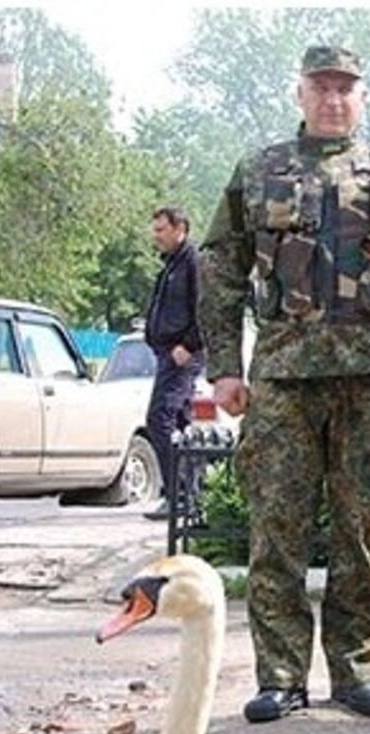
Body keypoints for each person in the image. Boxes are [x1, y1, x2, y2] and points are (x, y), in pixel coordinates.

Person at [198, 45, 370, 723]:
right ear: (299, 93)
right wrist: (224, 364)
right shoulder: (259, 171)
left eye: (346, 88)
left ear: (364, 97)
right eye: (321, 87)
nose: (334, 99)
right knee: (277, 531)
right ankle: (279, 676)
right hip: (283, 376)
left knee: (363, 531)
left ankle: (358, 667)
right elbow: (218, 268)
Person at [143, 205, 203, 520]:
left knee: (158, 419)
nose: (156, 237)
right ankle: (189, 497)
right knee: (182, 426)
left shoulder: (193, 261)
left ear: (180, 228)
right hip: (166, 353)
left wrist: (189, 345)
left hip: (182, 356)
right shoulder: (170, 265)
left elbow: (205, 308)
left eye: (161, 230)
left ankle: (179, 496)